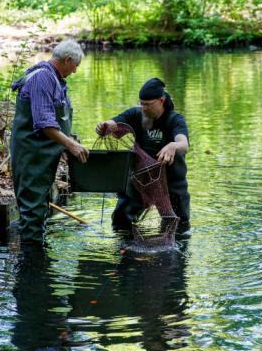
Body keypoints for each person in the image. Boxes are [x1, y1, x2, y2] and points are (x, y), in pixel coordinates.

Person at [10, 39, 89, 245]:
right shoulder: (42, 79)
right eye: (75, 66)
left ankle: (38, 255)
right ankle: (32, 263)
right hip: (32, 155)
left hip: (43, 154)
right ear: (67, 60)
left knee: (39, 206)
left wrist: (62, 144)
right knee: (32, 210)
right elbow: (45, 123)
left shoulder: (55, 79)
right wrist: (70, 144)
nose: (75, 71)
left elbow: (56, 121)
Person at [95, 77, 190, 229]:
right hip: (140, 181)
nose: (144, 108)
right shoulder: (135, 114)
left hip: (171, 182)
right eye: (141, 103)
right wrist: (104, 126)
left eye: (148, 104)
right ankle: (126, 249)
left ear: (161, 100)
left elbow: (183, 145)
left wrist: (173, 146)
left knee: (179, 227)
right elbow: (114, 124)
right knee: (120, 222)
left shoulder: (175, 120)